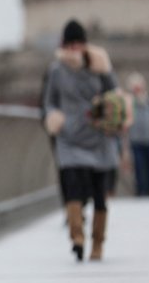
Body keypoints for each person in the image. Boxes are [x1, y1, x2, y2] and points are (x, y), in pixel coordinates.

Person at [42, 20, 120, 262]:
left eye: (79, 43)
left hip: (97, 137)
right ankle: (77, 238)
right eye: (71, 43)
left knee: (99, 193)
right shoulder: (56, 71)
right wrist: (55, 118)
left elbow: (115, 95)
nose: (75, 48)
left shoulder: (99, 67)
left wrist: (109, 118)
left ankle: (98, 243)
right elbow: (49, 101)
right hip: (70, 138)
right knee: (73, 186)